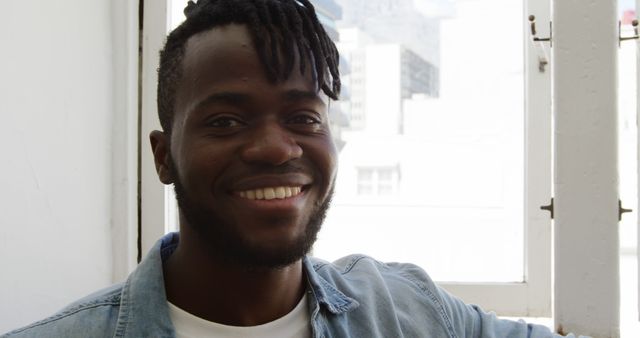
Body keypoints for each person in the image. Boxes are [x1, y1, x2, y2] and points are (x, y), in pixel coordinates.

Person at [3, 1, 583, 337]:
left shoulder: (407, 313)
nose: (277, 149)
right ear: (163, 156)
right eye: (226, 121)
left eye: (304, 117)